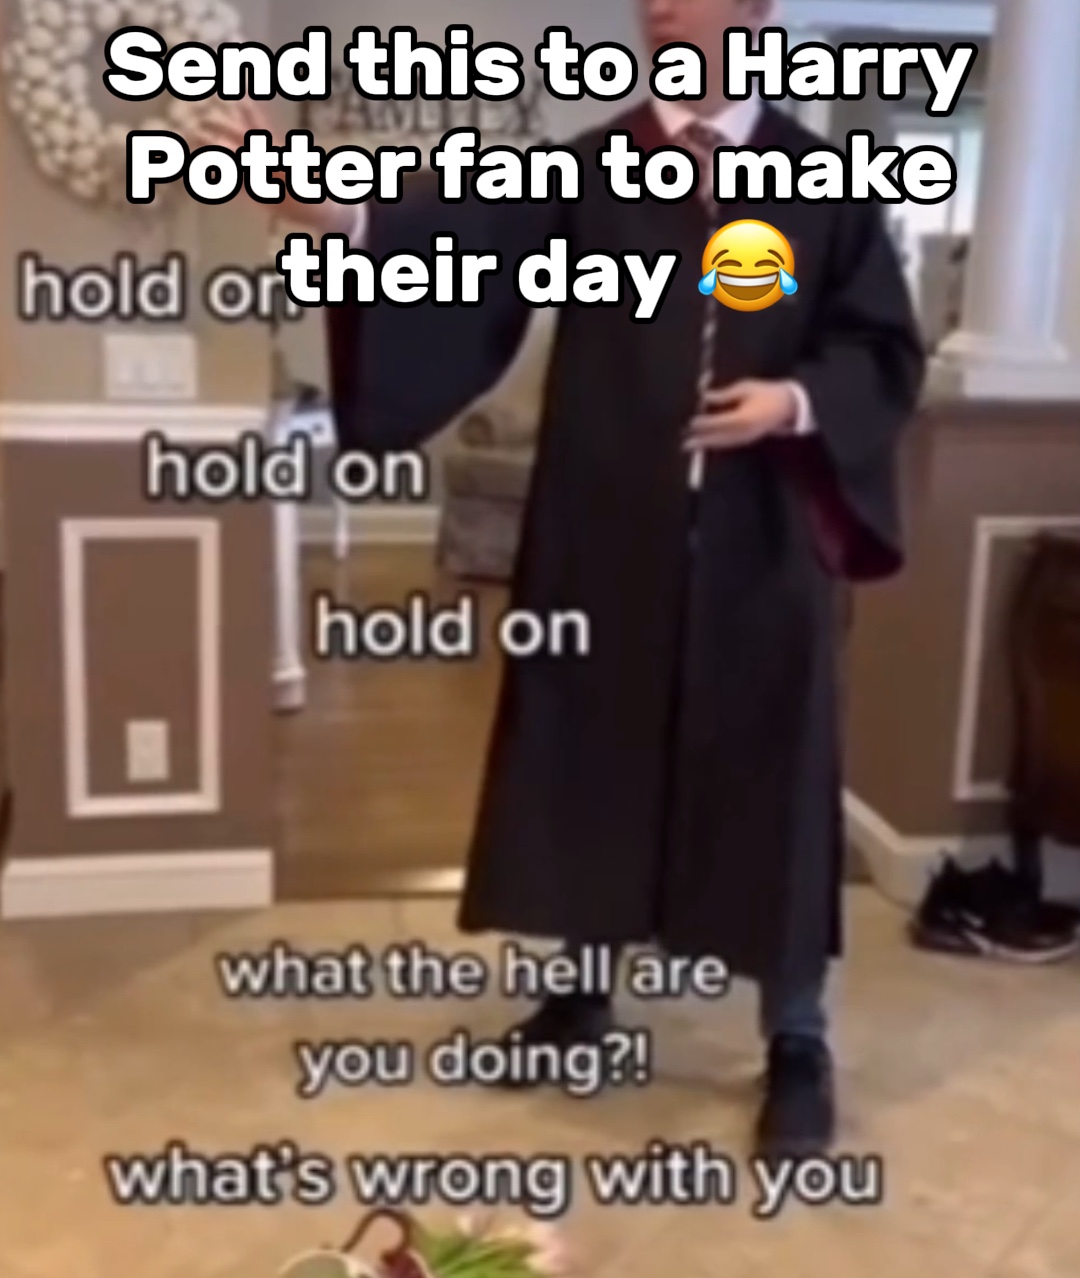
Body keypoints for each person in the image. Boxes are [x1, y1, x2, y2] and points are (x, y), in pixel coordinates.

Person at [208, 0, 925, 1160]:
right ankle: (581, 996)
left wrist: (794, 402)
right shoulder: (592, 170)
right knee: (591, 755)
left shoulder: (828, 184)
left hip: (763, 541)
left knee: (774, 783)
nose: (656, 9)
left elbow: (882, 346)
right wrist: (321, 197)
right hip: (608, 530)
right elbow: (451, 238)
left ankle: (796, 1039)